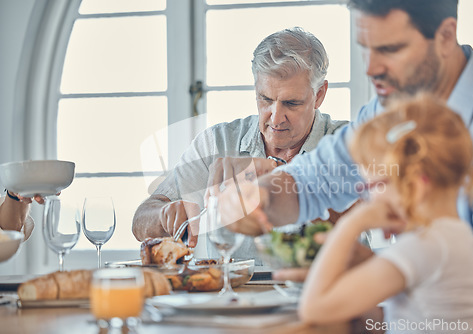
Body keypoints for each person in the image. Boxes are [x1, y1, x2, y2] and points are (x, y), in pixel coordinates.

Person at [217, 0, 473, 303]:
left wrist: (386, 276)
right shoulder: (386, 110)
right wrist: (259, 196)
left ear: (445, 36)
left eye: (389, 49)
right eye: (366, 47)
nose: (371, 68)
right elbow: (312, 182)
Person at [131, 28, 348, 257]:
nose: (275, 117)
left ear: (320, 94)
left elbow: (367, 211)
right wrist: (164, 215)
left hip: (323, 291)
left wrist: (276, 178)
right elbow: (140, 221)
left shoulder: (347, 141)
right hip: (232, 292)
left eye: (292, 103)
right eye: (265, 99)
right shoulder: (217, 143)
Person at [299, 94, 473, 331]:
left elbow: (314, 309)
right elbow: (396, 322)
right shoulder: (454, 237)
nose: (369, 198)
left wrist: (349, 225)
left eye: (374, 186)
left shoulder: (424, 245)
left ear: (415, 184)